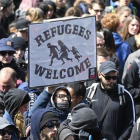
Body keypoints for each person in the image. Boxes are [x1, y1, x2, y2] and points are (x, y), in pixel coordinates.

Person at [86, 61, 135, 140]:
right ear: (99, 75)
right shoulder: (89, 93)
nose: (111, 81)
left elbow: (130, 124)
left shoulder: (125, 95)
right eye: (107, 78)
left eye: (114, 77)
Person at [101, 13, 131, 79]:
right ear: (117, 26)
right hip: (120, 78)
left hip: (104, 78)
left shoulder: (100, 43)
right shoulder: (125, 45)